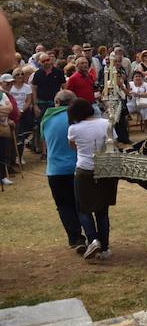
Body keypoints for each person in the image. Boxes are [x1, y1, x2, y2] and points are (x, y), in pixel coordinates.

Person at [68, 98, 117, 260]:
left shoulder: (74, 128)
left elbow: (73, 146)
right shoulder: (105, 123)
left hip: (84, 169)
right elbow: (113, 142)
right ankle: (105, 248)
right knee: (102, 211)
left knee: (83, 208)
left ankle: (93, 239)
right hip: (105, 170)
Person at [40, 90, 87, 252]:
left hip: (55, 170)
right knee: (81, 204)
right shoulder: (78, 120)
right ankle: (92, 235)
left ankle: (75, 238)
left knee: (63, 205)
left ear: (57, 102)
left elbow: (45, 141)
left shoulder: (46, 119)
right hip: (78, 168)